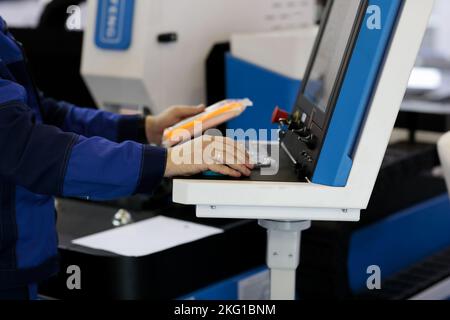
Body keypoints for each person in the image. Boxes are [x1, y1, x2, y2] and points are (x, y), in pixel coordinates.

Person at [0, 17, 252, 300]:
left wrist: (143, 128)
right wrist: (167, 161)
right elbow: (29, 149)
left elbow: (43, 114)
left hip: (24, 252)